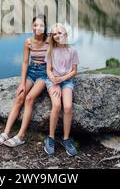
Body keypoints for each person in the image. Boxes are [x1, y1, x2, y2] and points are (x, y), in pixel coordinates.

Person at [0, 15, 49, 147]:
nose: (38, 28)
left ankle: (21, 135)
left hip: (44, 73)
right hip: (31, 71)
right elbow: (25, 62)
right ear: (32, 27)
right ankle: (6, 132)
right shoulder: (28, 42)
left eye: (41, 25)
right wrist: (22, 83)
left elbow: (61, 52)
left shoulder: (49, 41)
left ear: (45, 27)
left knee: (29, 99)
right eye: (36, 25)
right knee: (19, 98)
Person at [43, 23, 79, 157]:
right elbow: (48, 70)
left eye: (59, 32)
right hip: (52, 81)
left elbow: (74, 71)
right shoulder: (51, 51)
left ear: (66, 34)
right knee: (57, 105)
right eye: (54, 34)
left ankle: (66, 139)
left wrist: (62, 79)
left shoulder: (73, 51)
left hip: (66, 81)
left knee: (68, 107)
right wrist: (55, 81)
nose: (57, 35)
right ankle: (50, 138)